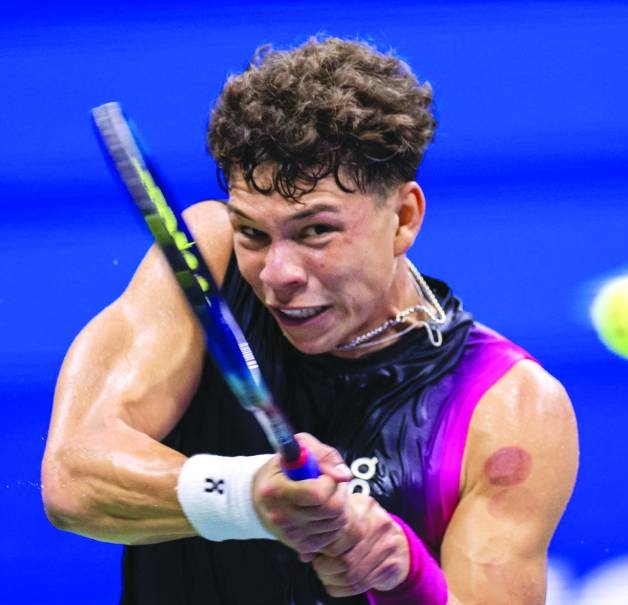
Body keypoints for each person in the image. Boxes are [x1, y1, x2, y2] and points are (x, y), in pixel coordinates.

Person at [41, 36, 578, 605]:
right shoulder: (208, 263)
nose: (277, 274)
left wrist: (405, 577)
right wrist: (248, 496)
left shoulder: (506, 406)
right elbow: (74, 478)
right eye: (253, 232)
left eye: (316, 231)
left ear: (403, 218)